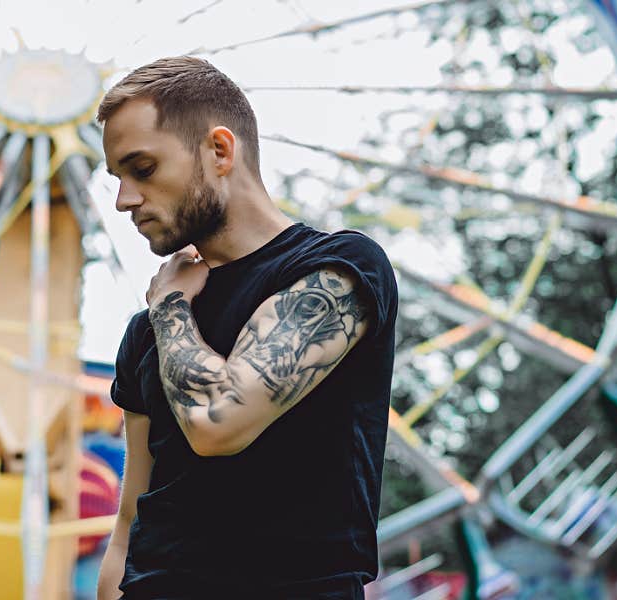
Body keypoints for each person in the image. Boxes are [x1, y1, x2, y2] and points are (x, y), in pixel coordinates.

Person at [95, 56, 398, 600]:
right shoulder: (147, 332)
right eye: (117, 179)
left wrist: (169, 305)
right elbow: (128, 526)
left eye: (142, 169)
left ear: (219, 150)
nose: (124, 201)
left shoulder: (339, 270)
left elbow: (218, 424)